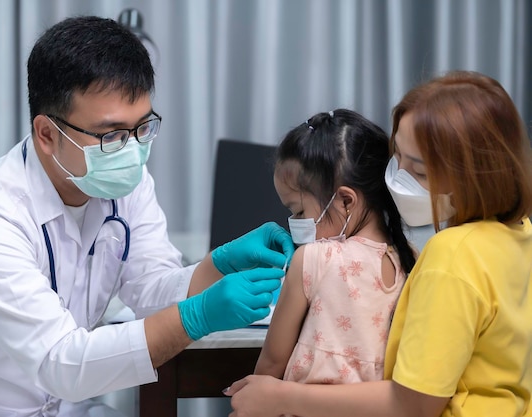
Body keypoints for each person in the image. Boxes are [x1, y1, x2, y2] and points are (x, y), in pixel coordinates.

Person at [0, 16, 294, 417]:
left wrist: (217, 266)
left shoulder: (126, 182)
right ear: (46, 134)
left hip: (53, 404)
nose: (133, 152)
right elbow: (60, 362)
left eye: (144, 127)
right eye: (112, 136)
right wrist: (196, 316)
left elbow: (149, 289)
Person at [225, 70, 532, 417]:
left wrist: (280, 397)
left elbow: (413, 403)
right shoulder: (519, 235)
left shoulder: (452, 255)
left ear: (472, 175)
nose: (397, 180)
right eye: (395, 157)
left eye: (418, 172)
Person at [254, 110, 416, 391]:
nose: (293, 223)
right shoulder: (410, 258)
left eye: (298, 210)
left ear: (345, 201)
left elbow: (270, 365)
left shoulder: (314, 259)